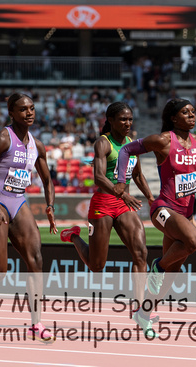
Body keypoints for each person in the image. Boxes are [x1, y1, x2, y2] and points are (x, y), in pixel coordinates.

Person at [112, 98, 196, 337]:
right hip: (163, 209)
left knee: (170, 277)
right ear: (173, 118)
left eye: (193, 112)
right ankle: (158, 265)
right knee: (193, 241)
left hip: (184, 215)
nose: (192, 116)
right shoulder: (163, 140)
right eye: (185, 113)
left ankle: (144, 313)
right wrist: (122, 181)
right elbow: (126, 150)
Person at [0, 92, 58, 342]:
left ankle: (36, 324)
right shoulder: (3, 139)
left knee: (36, 259)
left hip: (18, 201)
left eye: (32, 108)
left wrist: (50, 205)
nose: (29, 113)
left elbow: (48, 180)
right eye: (23, 109)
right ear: (12, 113)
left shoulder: (37, 145)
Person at [60, 102, 155, 312]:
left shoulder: (132, 144)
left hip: (123, 204)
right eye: (123, 119)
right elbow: (98, 177)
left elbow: (137, 174)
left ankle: (140, 308)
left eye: (130, 119)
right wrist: (122, 193)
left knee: (141, 253)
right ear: (110, 121)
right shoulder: (103, 143)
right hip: (103, 204)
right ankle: (74, 236)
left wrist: (150, 197)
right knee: (97, 266)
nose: (128, 123)